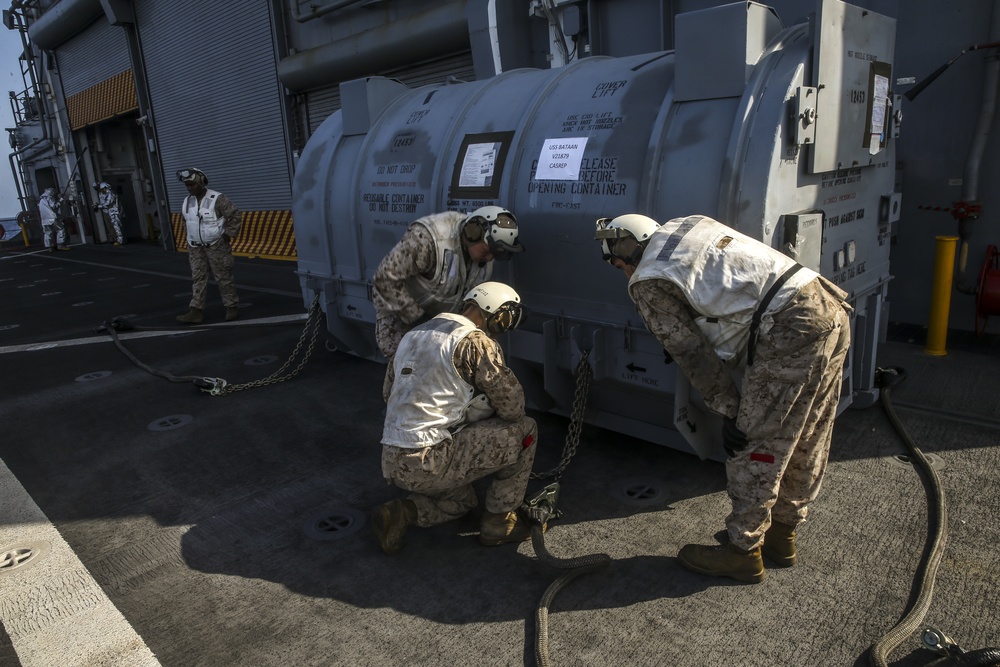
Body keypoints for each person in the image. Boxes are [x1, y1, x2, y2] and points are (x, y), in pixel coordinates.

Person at [594, 213, 852, 584]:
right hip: (826, 304)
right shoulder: (687, 226)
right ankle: (782, 536)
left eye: (619, 264)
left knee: (755, 443)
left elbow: (690, 351)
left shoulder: (647, 280)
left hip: (791, 327)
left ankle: (742, 551)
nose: (624, 274)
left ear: (625, 248)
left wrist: (729, 409)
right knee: (810, 433)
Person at [371, 281, 539, 554]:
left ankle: (402, 512)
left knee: (461, 503)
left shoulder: (412, 336)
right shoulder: (476, 342)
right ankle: (500, 521)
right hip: (433, 460)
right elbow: (513, 407)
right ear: (496, 314)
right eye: (506, 321)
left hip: (392, 460)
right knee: (525, 430)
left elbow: (388, 394)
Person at [372, 205, 524, 358]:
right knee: (407, 370)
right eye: (487, 251)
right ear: (473, 233)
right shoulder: (427, 239)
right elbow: (385, 277)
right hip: (401, 315)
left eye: (495, 254)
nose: (490, 258)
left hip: (440, 322)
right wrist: (417, 318)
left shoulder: (483, 256)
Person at [174, 168, 243, 324]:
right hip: (196, 247)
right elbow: (186, 221)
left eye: (192, 185)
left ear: (201, 182)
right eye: (187, 185)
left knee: (223, 277)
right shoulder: (187, 201)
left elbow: (234, 215)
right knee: (198, 278)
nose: (190, 188)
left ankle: (231, 307)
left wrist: (227, 234)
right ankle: (196, 311)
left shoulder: (217, 198)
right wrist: (190, 238)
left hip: (216, 245)